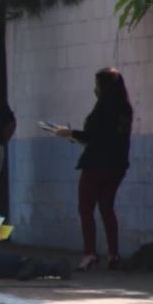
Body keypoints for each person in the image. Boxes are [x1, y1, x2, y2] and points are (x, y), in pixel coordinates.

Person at [54, 67, 133, 271]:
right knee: (107, 207)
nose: (95, 89)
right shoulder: (125, 108)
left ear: (104, 86)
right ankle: (113, 254)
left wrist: (69, 132)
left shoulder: (103, 108)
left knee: (86, 208)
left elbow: (93, 137)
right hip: (117, 165)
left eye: (97, 84)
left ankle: (90, 254)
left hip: (96, 164)